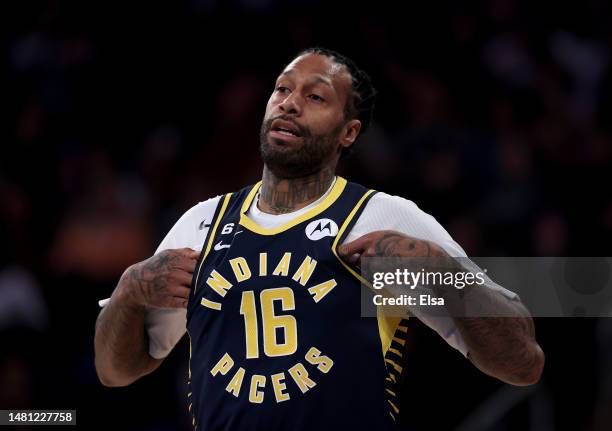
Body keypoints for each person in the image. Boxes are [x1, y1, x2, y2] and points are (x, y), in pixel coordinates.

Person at [94, 47, 544, 430]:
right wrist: (129, 291)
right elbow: (114, 371)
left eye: (315, 97)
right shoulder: (202, 223)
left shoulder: (382, 216)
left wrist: (444, 273)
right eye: (282, 89)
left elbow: (523, 363)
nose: (289, 104)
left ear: (349, 132)